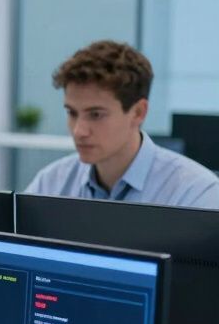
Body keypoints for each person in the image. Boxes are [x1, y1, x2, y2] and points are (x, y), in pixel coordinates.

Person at [25, 40, 219, 209]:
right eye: (72, 113)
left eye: (96, 114)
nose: (79, 131)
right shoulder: (51, 184)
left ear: (138, 112)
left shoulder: (196, 194)